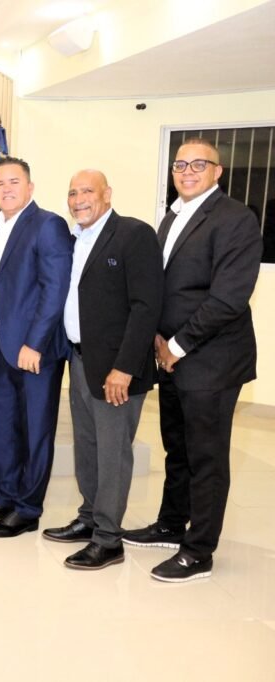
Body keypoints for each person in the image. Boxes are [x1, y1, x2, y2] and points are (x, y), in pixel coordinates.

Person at [124, 139, 262, 582]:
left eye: (198, 164)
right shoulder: (172, 216)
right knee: (177, 448)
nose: (187, 171)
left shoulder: (235, 218)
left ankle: (199, 550)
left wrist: (177, 345)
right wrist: (158, 338)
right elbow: (164, 286)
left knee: (206, 457)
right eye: (180, 164)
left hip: (211, 360)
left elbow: (228, 298)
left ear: (217, 172)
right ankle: (170, 524)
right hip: (171, 356)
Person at [42, 170, 163, 570]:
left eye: (87, 191)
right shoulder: (75, 239)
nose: (78, 199)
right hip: (80, 360)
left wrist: (124, 368)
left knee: (112, 453)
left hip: (116, 369)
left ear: (107, 194)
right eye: (72, 192)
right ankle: (90, 516)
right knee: (88, 446)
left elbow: (146, 306)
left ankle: (109, 539)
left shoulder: (133, 234)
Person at [0, 157, 73, 538]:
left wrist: (35, 343)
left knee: (34, 432)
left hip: (33, 352)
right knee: (3, 429)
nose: (5, 189)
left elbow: (54, 289)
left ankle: (28, 509)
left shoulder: (48, 225)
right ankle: (6, 497)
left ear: (30, 187)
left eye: (13, 182)